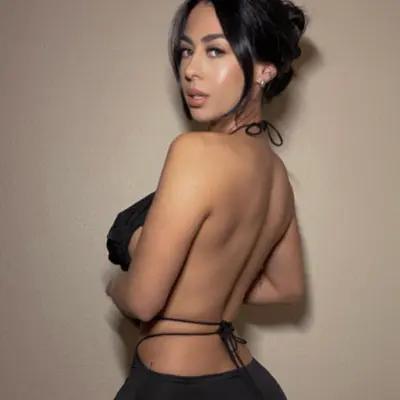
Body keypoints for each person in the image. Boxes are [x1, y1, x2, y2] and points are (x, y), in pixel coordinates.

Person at [107, 0, 309, 398]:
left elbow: (142, 302)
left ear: (265, 70)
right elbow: (286, 287)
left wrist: (116, 285)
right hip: (248, 382)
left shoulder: (194, 152)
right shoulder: (276, 174)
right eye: (187, 50)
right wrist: (204, 283)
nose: (190, 69)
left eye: (215, 50)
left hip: (174, 385)